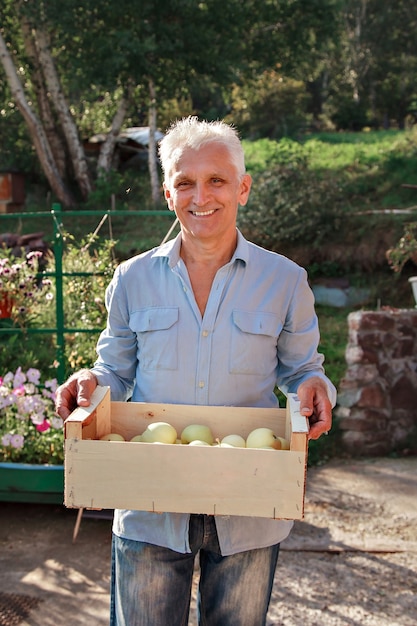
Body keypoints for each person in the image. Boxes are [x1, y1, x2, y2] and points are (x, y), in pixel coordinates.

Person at [56, 116, 336, 626]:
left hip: (249, 507)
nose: (200, 196)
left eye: (216, 180)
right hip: (149, 509)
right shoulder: (132, 279)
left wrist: (315, 386)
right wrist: (90, 383)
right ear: (168, 193)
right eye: (185, 181)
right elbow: (113, 371)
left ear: (243, 188)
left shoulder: (286, 281)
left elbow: (302, 371)